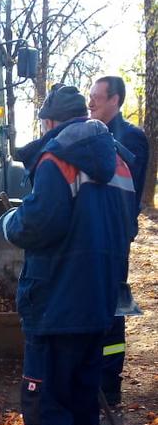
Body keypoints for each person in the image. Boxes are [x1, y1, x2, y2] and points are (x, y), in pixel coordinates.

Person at [0, 84, 136, 425]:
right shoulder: (120, 162)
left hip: (56, 298)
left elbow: (39, 224)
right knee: (81, 391)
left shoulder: (57, 159)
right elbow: (124, 227)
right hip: (98, 298)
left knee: (46, 397)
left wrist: (7, 223)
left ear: (51, 122)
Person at [89, 76, 149, 406]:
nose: (91, 103)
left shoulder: (131, 139)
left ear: (116, 101)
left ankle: (109, 384)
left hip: (114, 240)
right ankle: (92, 380)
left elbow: (124, 191)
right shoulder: (92, 134)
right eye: (90, 98)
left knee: (112, 310)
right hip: (94, 238)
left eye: (97, 98)